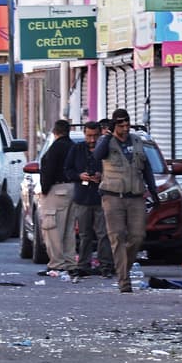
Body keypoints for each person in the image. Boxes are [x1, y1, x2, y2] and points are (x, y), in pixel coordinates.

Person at [93, 107, 157, 293]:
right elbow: (98, 155)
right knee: (117, 236)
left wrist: (152, 192)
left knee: (137, 236)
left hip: (136, 196)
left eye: (127, 123)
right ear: (115, 125)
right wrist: (108, 135)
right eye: (121, 124)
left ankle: (123, 268)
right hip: (113, 196)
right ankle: (124, 280)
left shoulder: (137, 141)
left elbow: (146, 168)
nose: (126, 127)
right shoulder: (106, 142)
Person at [65, 119, 113, 277]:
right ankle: (84, 264)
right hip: (83, 197)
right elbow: (67, 170)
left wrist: (102, 176)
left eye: (95, 136)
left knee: (103, 233)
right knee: (85, 234)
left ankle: (105, 265)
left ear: (100, 134)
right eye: (89, 136)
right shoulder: (76, 149)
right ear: (84, 135)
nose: (92, 140)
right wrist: (80, 176)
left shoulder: (106, 150)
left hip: (101, 197)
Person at [37, 118, 77, 276]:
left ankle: (56, 264)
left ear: (55, 132)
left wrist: (45, 189)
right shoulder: (74, 147)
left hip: (57, 190)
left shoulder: (55, 148)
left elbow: (49, 169)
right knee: (68, 229)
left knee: (52, 228)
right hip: (73, 189)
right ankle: (70, 263)